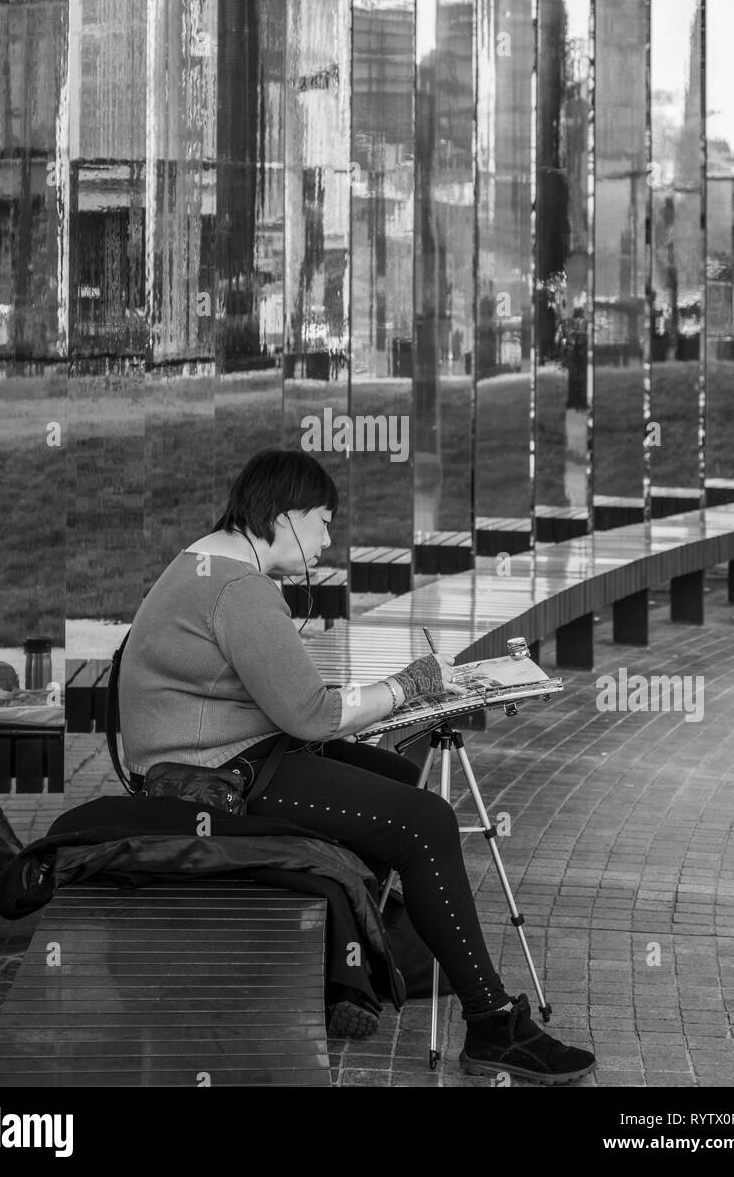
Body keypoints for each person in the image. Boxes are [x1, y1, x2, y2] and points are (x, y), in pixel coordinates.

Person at [119, 448, 596, 1084]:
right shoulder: (239, 589)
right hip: (213, 784)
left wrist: (394, 698)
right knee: (424, 820)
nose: (327, 538)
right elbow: (312, 716)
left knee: (398, 781)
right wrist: (413, 686)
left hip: (215, 762)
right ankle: (492, 1024)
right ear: (284, 517)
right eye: (322, 521)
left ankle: (350, 967)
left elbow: (286, 701)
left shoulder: (209, 564)